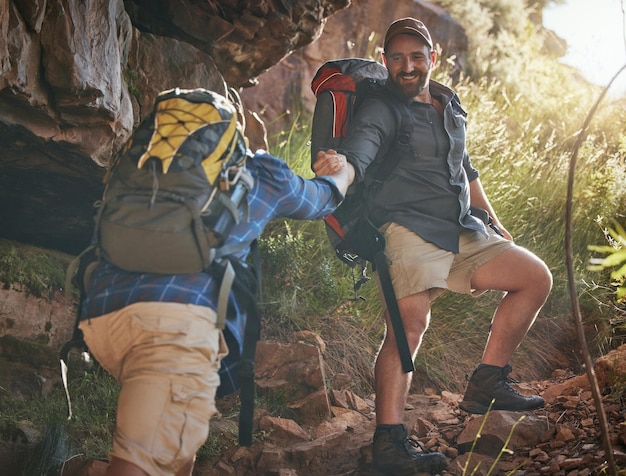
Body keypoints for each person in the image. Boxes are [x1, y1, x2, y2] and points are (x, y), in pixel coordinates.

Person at [314, 17, 552, 475]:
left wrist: (494, 223)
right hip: (405, 228)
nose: (407, 66)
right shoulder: (380, 109)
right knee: (408, 327)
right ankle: (389, 443)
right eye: (397, 58)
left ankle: (487, 382)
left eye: (416, 57)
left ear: (432, 59)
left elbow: (464, 167)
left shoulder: (448, 103)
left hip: (459, 227)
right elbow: (359, 154)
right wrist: (338, 169)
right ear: (385, 62)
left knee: (534, 277)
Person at [78, 89, 354, 476]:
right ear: (231, 132)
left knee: (177, 445)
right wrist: (344, 170)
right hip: (175, 330)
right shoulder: (258, 173)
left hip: (103, 318)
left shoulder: (142, 168)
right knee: (139, 462)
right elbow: (323, 198)